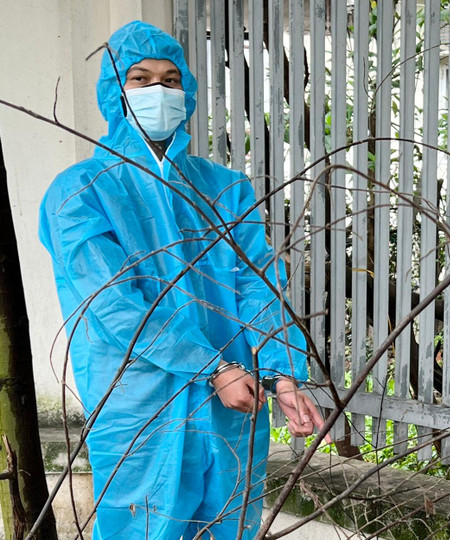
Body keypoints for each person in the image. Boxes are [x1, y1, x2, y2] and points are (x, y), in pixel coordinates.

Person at [39, 20, 327, 539]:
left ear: (188, 91)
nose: (159, 91)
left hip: (235, 401)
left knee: (229, 520)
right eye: (141, 79)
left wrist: (281, 372)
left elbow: (257, 282)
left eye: (171, 80)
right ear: (114, 92)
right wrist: (212, 368)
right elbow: (115, 304)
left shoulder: (224, 188)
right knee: (143, 526)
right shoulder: (79, 193)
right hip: (141, 403)